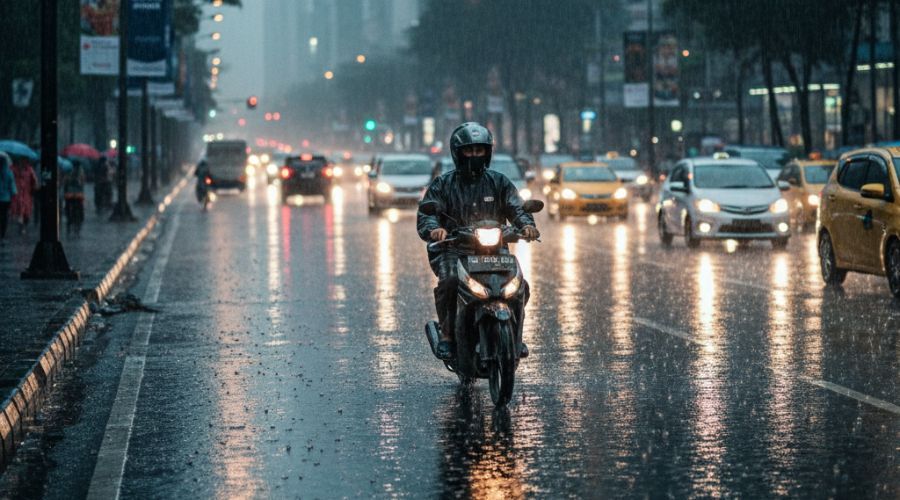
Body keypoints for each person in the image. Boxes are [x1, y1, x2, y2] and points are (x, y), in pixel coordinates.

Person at [417, 122, 539, 360]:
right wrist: (436, 230)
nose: (474, 156)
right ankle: (448, 335)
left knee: (519, 286)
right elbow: (427, 213)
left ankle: (515, 337)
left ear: (488, 152)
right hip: (453, 249)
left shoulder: (500, 182)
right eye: (469, 151)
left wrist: (526, 226)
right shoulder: (444, 184)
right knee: (450, 281)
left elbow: (516, 207)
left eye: (479, 150)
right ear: (457, 152)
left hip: (495, 250)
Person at [10, 157, 38, 235]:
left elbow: (34, 181)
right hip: (17, 193)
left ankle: (23, 223)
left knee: (26, 212)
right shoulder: (13, 169)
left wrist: (33, 188)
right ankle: (21, 225)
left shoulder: (29, 169)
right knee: (20, 210)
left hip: (26, 193)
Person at [63, 159, 86, 237]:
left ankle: (72, 221)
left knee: (72, 209)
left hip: (72, 195)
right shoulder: (78, 172)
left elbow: (66, 182)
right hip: (76, 195)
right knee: (77, 209)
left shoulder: (70, 172)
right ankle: (74, 221)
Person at [0, 153, 17, 245]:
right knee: (4, 216)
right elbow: (12, 185)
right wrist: (13, 194)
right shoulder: (9, 172)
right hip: (6, 199)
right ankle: (2, 233)